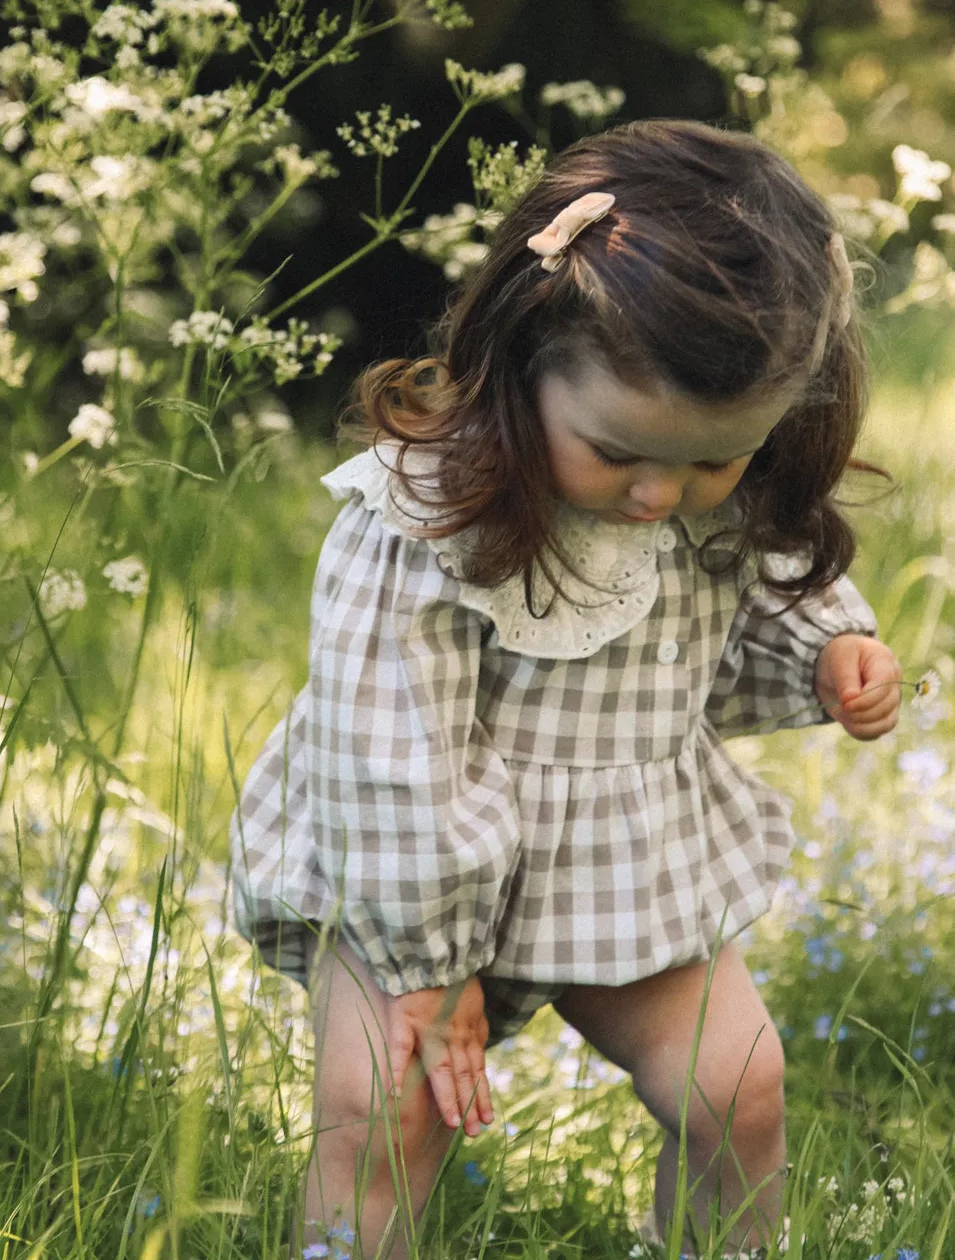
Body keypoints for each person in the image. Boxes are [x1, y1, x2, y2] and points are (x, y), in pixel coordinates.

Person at [230, 120, 902, 1259]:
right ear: (524, 356)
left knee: (734, 1089)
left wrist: (827, 651)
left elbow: (764, 581)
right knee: (383, 1118)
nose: (658, 494)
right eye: (617, 451)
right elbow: (390, 759)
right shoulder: (422, 524)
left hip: (620, 858)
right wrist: (431, 972)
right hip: (415, 865)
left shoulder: (708, 494)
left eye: (711, 460)